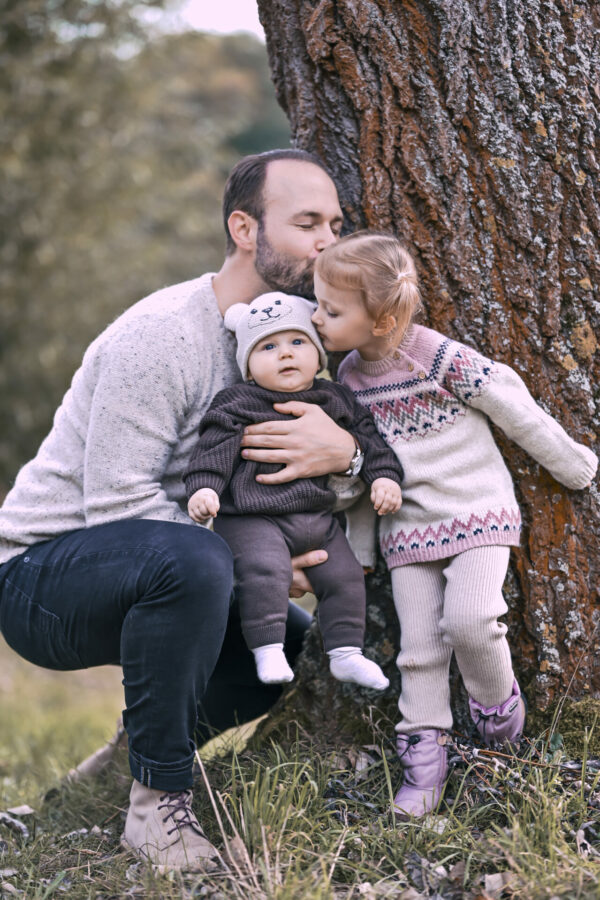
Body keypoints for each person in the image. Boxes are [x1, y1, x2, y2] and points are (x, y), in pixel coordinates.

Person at [0, 149, 361, 871]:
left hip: (186, 566)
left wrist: (343, 457)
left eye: (336, 223)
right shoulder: (164, 333)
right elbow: (116, 503)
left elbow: (326, 488)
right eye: (307, 222)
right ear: (245, 228)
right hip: (41, 579)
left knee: (284, 653)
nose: (329, 240)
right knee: (195, 557)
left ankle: (124, 760)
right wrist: (256, 559)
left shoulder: (310, 348)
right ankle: (154, 811)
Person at [310, 231, 598, 818]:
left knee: (472, 620)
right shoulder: (346, 383)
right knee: (418, 651)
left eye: (331, 311)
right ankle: (424, 766)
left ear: (383, 318)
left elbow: (510, 405)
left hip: (477, 511)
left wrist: (574, 466)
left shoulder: (438, 356)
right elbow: (365, 471)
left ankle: (499, 724)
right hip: (408, 532)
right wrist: (362, 550)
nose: (316, 319)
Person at [185, 291, 404, 689]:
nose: (285, 354)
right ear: (248, 365)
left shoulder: (336, 398)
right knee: (265, 571)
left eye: (297, 342)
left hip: (317, 518)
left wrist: (384, 476)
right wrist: (204, 489)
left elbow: (369, 441)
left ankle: (346, 653)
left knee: (346, 575)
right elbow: (212, 451)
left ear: (318, 355)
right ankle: (268, 648)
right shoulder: (238, 402)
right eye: (268, 346)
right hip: (254, 519)